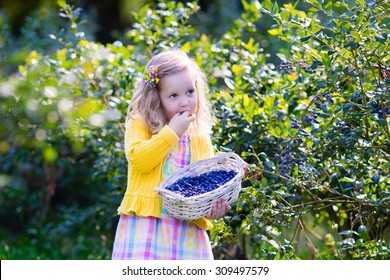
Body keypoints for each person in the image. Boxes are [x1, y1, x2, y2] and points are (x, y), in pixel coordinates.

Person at [111, 49, 231, 260]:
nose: (184, 102)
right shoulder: (141, 123)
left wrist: (212, 209)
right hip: (146, 230)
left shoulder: (199, 137)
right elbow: (139, 160)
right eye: (173, 96)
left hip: (187, 234)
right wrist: (172, 132)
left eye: (189, 92)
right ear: (156, 98)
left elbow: (204, 186)